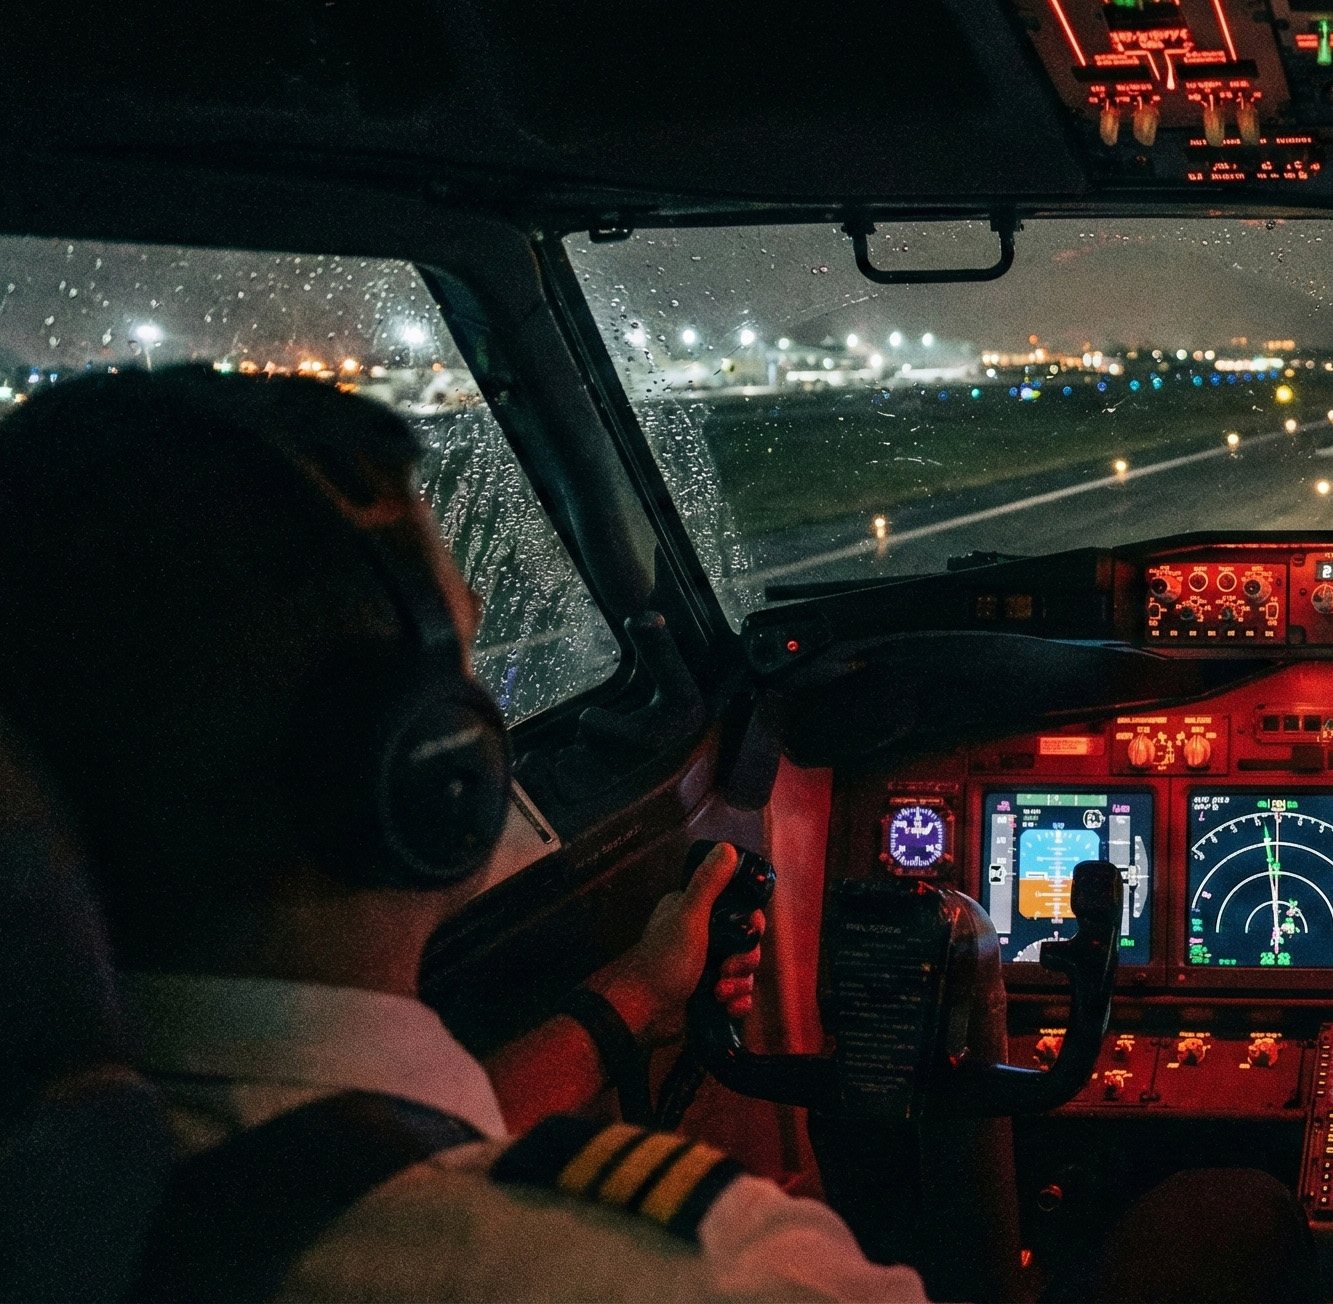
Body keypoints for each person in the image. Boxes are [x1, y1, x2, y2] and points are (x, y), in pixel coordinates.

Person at [0, 370, 927, 1300]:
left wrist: (639, 994)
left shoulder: (70, 1168)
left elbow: (334, 1157)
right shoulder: (713, 1275)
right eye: (467, 660)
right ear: (421, 761)